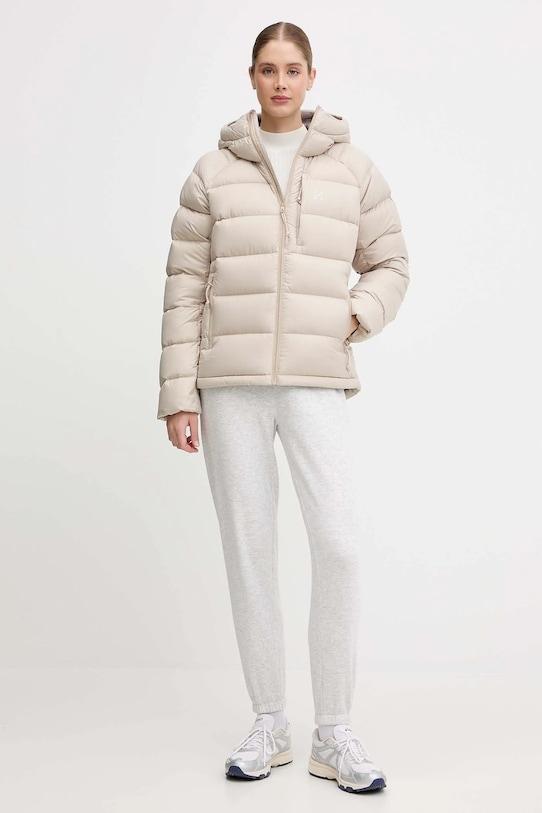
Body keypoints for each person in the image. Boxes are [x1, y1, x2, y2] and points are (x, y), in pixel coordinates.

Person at [157, 21, 409, 794]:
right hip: (228, 384)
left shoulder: (352, 169)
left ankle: (334, 730)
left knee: (338, 545)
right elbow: (183, 286)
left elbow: (391, 262)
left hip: (313, 378)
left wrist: (353, 314)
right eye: (268, 69)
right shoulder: (211, 173)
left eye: (292, 69)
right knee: (250, 550)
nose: (279, 82)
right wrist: (177, 393)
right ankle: (269, 722)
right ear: (251, 76)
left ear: (310, 77)